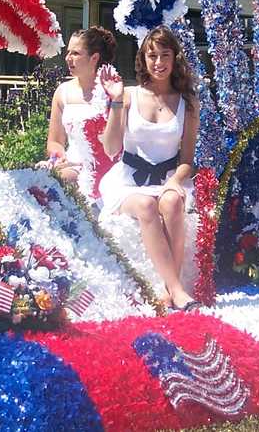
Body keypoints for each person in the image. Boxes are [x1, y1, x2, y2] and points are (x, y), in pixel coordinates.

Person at [99, 26, 201, 311]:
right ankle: (177, 289)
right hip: (128, 183)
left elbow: (187, 161)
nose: (158, 62)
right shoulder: (129, 95)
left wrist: (175, 182)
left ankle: (171, 290)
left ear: (175, 58)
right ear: (143, 59)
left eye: (164, 55)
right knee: (146, 205)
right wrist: (116, 101)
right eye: (152, 55)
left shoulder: (188, 102)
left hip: (168, 179)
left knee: (171, 202)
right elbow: (110, 148)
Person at [43, 27, 118, 188]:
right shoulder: (62, 92)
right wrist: (58, 156)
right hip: (71, 166)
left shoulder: (113, 93)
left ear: (94, 58)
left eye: (75, 53)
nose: (68, 58)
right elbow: (55, 141)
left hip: (109, 170)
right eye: (68, 52)